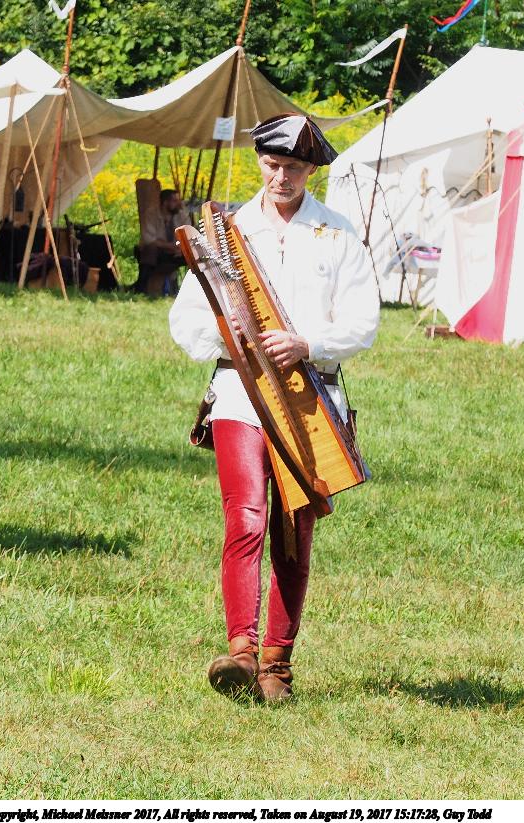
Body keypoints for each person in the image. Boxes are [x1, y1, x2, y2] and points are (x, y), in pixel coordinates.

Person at [169, 113, 380, 702]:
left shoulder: (337, 234)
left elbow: (363, 322)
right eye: (271, 164)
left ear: (312, 170)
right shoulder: (226, 234)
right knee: (246, 517)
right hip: (240, 393)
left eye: (293, 167)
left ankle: (276, 667)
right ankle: (240, 651)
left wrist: (309, 342)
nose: (280, 177)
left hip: (313, 399)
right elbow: (185, 321)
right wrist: (227, 335)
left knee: (293, 533)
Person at [132, 189, 186, 295]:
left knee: (194, 255)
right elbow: (148, 239)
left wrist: (181, 248)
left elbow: (186, 235)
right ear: (165, 202)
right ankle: (141, 288)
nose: (178, 204)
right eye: (175, 201)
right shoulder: (151, 214)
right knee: (150, 250)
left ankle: (194, 290)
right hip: (155, 252)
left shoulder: (181, 215)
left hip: (175, 252)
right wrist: (169, 246)